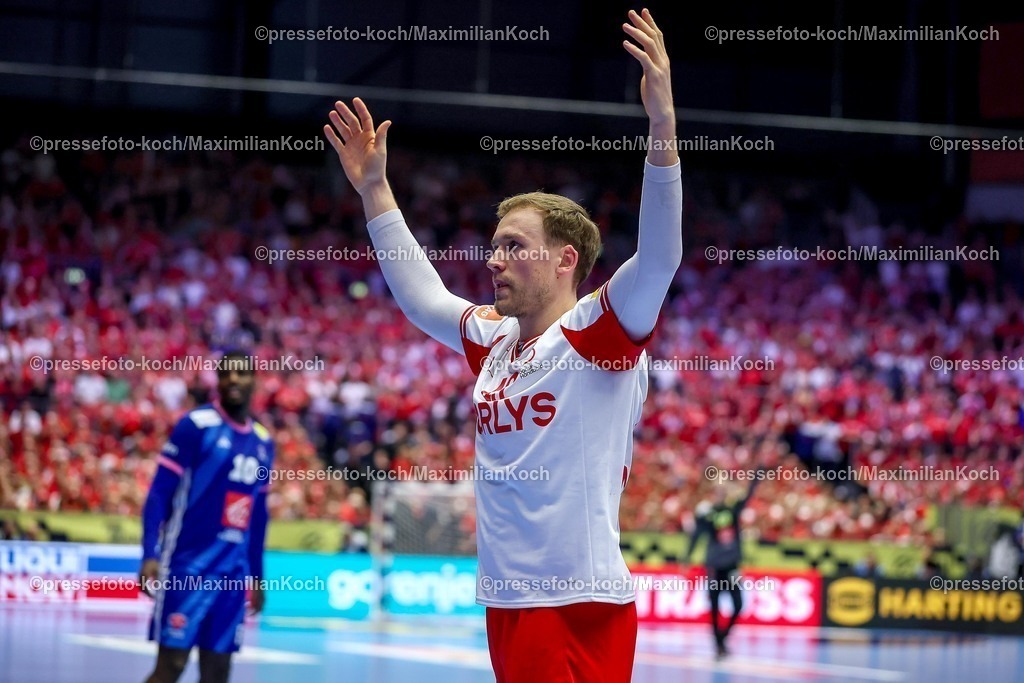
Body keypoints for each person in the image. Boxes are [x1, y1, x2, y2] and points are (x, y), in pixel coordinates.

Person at [324, 8, 680, 681]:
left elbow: (660, 257)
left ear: (565, 259)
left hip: (577, 599)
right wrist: (375, 190)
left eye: (514, 246)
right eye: (493, 248)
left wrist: (662, 126)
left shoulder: (599, 333)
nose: (494, 261)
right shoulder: (495, 339)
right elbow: (424, 299)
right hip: (508, 598)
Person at [139, 350, 274, 683]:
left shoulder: (263, 442)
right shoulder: (196, 425)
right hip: (188, 566)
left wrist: (256, 575)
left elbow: (258, 516)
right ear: (217, 379)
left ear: (254, 380)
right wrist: (149, 554)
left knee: (218, 672)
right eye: (227, 373)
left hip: (232, 574)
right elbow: (158, 493)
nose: (234, 380)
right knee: (171, 665)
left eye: (242, 374)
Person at [684, 473, 761, 659]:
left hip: (732, 567)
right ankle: (718, 644)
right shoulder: (707, 514)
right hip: (714, 567)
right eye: (717, 490)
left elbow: (747, 497)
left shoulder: (732, 511)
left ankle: (723, 637)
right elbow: (696, 536)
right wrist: (686, 557)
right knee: (715, 605)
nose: (720, 493)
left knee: (738, 604)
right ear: (712, 493)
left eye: (722, 490)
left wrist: (757, 476)